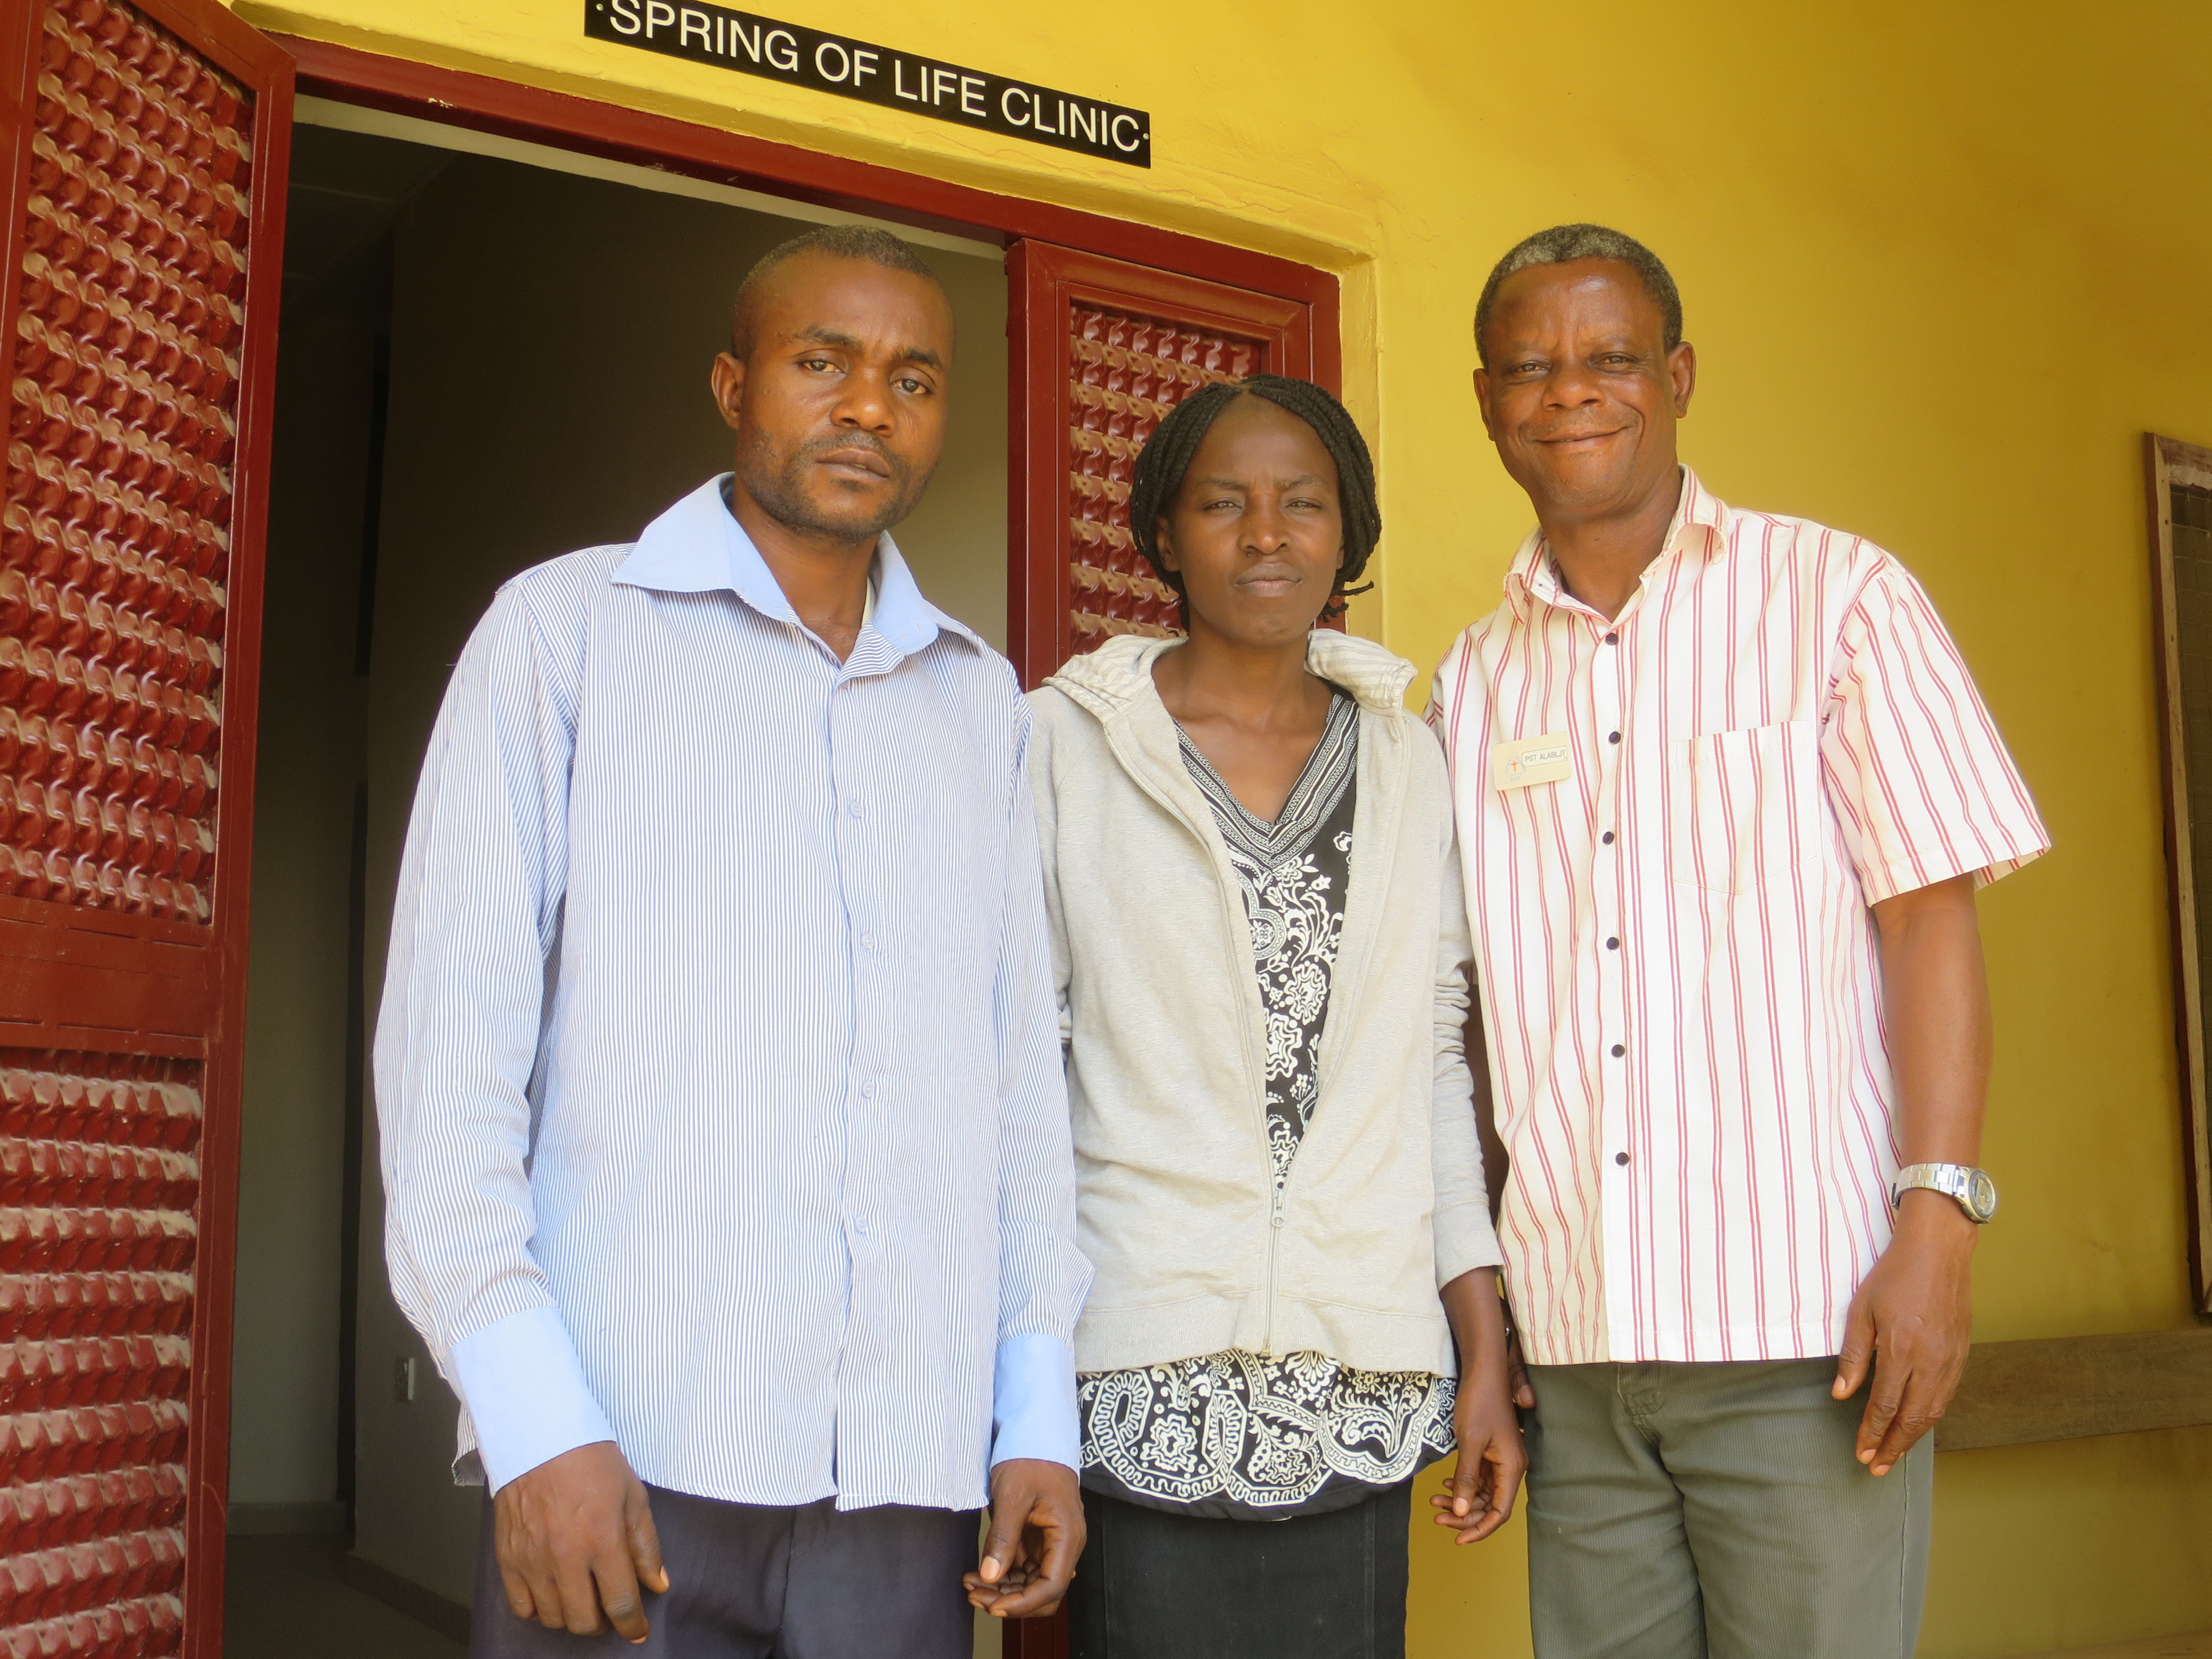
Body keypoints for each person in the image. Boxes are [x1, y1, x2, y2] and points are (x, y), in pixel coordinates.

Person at [375, 225, 1091, 1657]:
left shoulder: (976, 702)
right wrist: (531, 1424)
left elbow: (1014, 1084)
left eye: (913, 379)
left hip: (903, 1474)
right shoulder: (565, 635)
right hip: (619, 1455)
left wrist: (1035, 1415)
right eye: (823, 362)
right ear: (731, 386)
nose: (868, 406)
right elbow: (449, 1068)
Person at [1428, 223, 2051, 1659]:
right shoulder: (1471, 681)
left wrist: (1937, 1223)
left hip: (1807, 1333)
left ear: (1680, 376)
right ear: (1485, 400)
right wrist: (1490, 1325)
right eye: (1528, 366)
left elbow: (1928, 921)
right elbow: (1475, 1022)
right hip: (1573, 1350)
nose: (1569, 390)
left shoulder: (1838, 599)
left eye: (1610, 356)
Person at [1017, 374, 1525, 1659]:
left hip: (1358, 1359)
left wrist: (1478, 1344)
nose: (1264, 535)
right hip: (1133, 1348)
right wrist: (1020, 1378)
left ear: (1346, 530)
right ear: (1161, 530)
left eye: (1301, 503)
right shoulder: (1058, 746)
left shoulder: (1408, 761)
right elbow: (1016, 1070)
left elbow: (1431, 1069)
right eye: (1221, 504)